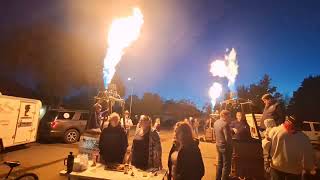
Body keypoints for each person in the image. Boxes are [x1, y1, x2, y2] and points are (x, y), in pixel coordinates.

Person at [214, 110, 233, 180]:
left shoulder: (216, 122)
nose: (230, 118)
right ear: (224, 116)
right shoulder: (225, 124)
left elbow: (215, 134)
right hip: (225, 147)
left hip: (218, 145)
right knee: (226, 165)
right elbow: (227, 138)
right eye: (229, 116)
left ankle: (217, 178)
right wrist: (231, 147)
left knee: (219, 164)